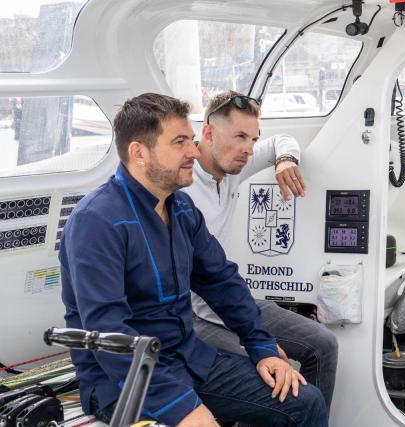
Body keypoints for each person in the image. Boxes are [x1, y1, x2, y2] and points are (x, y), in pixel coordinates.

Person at [59, 93, 326, 427]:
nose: (192, 151)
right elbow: (108, 334)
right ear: (139, 153)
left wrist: (261, 344)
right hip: (124, 382)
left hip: (187, 358)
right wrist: (178, 405)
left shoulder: (182, 210)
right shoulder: (97, 222)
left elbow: (221, 281)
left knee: (304, 402)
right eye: (180, 142)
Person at [184, 90, 338, 410]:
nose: (248, 149)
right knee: (275, 376)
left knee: (324, 345)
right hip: (197, 316)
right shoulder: (182, 187)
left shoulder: (232, 166)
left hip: (234, 300)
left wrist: (285, 161)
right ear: (208, 133)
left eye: (253, 139)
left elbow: (283, 140)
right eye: (240, 136)